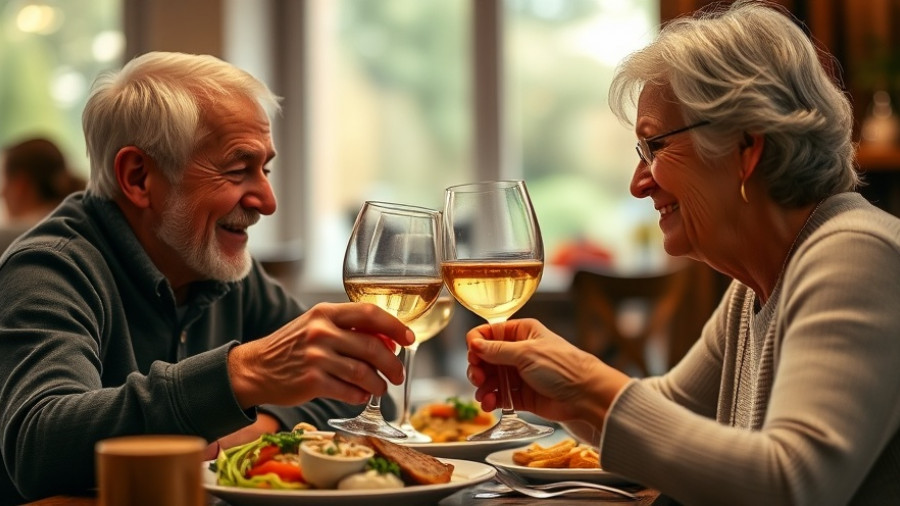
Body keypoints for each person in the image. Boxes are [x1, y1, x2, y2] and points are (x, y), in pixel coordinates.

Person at [465, 2, 900, 505]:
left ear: (745, 147)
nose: (638, 184)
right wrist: (569, 397)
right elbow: (676, 410)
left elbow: (792, 483)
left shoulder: (857, 255)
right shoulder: (758, 286)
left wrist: (586, 386)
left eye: (654, 146)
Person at [0, 52, 414, 502]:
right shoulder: (48, 268)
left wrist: (237, 434)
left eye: (265, 169)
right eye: (238, 170)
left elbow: (368, 396)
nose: (268, 201)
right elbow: (38, 447)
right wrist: (243, 374)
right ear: (138, 177)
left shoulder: (219, 266)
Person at [0, 137, 86, 252]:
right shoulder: (79, 228)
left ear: (21, 184)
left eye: (5, 181)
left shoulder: (8, 240)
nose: (2, 193)